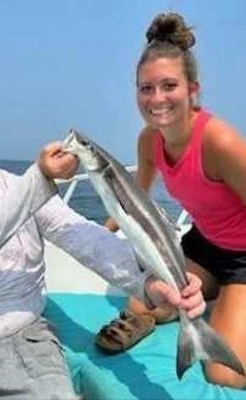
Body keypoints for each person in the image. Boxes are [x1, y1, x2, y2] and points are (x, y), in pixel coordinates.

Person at [0, 96, 204, 399]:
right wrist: (40, 178)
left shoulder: (21, 190)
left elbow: (86, 239)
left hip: (20, 342)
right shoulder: (23, 189)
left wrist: (148, 284)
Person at [96, 12, 246, 389]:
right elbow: (136, 196)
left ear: (193, 89)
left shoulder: (220, 143)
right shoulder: (150, 141)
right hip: (205, 245)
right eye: (146, 88)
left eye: (169, 85)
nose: (157, 98)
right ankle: (201, 304)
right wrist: (105, 229)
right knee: (142, 304)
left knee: (224, 373)